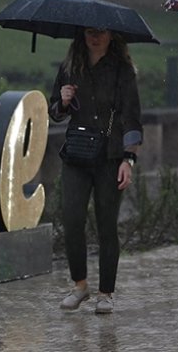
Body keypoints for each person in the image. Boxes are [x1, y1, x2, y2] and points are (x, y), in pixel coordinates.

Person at [49, 27, 143, 314]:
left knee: (106, 225)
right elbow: (54, 112)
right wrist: (63, 101)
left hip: (110, 156)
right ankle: (80, 285)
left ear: (111, 36)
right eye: (89, 32)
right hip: (76, 155)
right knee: (72, 218)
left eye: (100, 32)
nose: (94, 37)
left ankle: (106, 292)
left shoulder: (122, 70)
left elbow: (132, 117)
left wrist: (129, 160)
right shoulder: (70, 67)